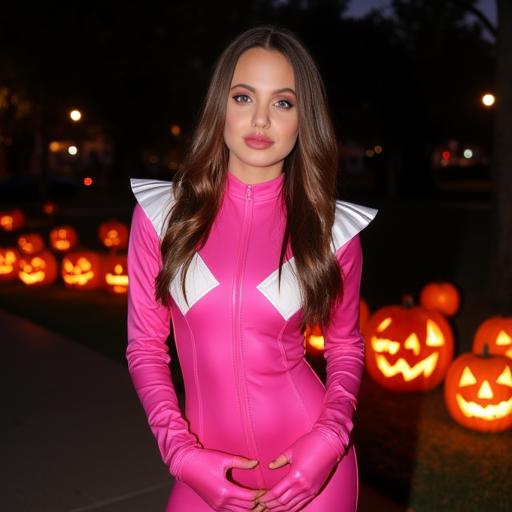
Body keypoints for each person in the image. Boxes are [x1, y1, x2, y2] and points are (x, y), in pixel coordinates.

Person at [126, 24, 378, 512]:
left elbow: (346, 345)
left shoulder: (331, 230)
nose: (260, 118)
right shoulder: (162, 216)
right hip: (203, 468)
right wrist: (179, 454)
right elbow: (145, 346)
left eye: (283, 103)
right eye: (244, 97)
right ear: (220, 104)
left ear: (303, 119)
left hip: (314, 474)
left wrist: (328, 441)